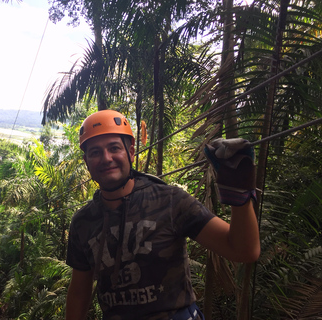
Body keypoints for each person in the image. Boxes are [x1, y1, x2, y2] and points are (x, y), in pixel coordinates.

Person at [65, 109, 260, 320]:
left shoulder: (170, 201)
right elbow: (79, 292)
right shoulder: (83, 222)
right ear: (86, 161)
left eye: (114, 148)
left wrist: (240, 197)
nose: (106, 158)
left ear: (130, 152)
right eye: (95, 152)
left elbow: (244, 250)